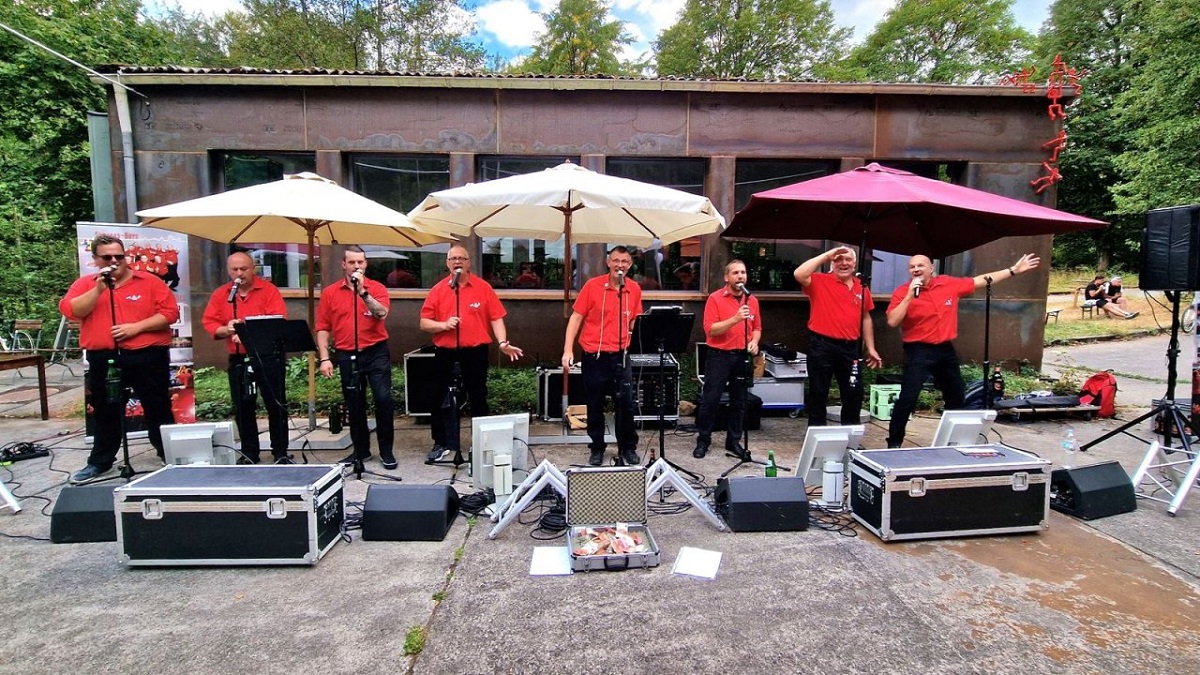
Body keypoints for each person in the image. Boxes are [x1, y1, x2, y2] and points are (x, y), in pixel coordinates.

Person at [884, 253, 1041, 448]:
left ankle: (953, 438)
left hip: (944, 349)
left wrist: (1013, 270)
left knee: (956, 394)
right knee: (908, 397)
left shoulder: (947, 283)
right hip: (918, 350)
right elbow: (892, 321)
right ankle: (894, 442)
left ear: (931, 268)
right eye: (912, 267)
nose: (916, 269)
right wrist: (909, 295)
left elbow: (979, 280)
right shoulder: (902, 291)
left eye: (920, 266)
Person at [62, 234, 179, 484]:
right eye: (107, 257)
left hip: (147, 354)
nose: (114, 261)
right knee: (105, 408)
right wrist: (98, 289)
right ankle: (100, 462)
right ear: (95, 259)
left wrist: (136, 328)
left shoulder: (149, 281)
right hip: (104, 356)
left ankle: (169, 455)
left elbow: (169, 313)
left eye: (119, 256)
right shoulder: (86, 284)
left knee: (157, 405)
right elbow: (73, 310)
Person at [420, 245, 524, 462]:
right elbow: (424, 323)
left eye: (461, 258)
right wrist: (443, 325)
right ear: (448, 263)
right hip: (445, 352)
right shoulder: (438, 290)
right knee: (439, 397)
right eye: (453, 258)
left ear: (468, 262)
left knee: (478, 397)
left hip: (475, 352)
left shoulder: (483, 288)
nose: (457, 262)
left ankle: (481, 443)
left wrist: (503, 342)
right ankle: (441, 443)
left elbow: (496, 317)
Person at [202, 251, 291, 464]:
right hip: (238, 358)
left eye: (244, 269)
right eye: (235, 270)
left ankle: (280, 452)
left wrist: (250, 334)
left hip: (267, 356)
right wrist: (226, 329)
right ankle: (250, 452)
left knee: (275, 404)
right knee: (243, 406)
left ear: (253, 269)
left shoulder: (269, 290)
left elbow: (277, 320)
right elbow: (210, 322)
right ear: (228, 271)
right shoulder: (221, 294)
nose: (240, 273)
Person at [316, 246, 396, 470]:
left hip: (376, 351)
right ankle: (360, 450)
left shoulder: (376, 288)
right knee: (354, 403)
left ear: (366, 264)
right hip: (346, 353)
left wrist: (363, 292)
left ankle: (386, 451)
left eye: (360, 262)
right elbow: (323, 327)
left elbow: (382, 313)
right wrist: (324, 358)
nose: (357, 266)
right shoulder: (331, 293)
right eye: (352, 263)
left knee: (383, 400)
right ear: (344, 264)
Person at [562, 246, 643, 466]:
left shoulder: (634, 289)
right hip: (594, 356)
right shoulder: (592, 286)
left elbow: (634, 321)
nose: (620, 265)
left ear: (630, 265)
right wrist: (568, 350)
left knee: (625, 404)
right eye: (616, 260)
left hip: (622, 355)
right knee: (595, 403)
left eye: (625, 261)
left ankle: (627, 447)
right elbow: (576, 319)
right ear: (608, 262)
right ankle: (597, 446)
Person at [793, 246, 883, 427]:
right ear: (832, 263)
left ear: (855, 263)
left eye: (848, 259)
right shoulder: (820, 281)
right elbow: (799, 274)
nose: (844, 263)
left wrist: (871, 348)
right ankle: (818, 437)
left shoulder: (862, 287)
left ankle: (851, 439)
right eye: (838, 260)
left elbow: (866, 318)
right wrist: (826, 255)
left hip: (850, 348)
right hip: (822, 346)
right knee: (818, 392)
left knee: (853, 392)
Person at [692, 260, 761, 458]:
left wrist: (754, 342)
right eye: (736, 273)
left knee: (740, 401)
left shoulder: (752, 300)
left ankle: (734, 441)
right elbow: (711, 330)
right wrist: (736, 319)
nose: (740, 276)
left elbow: (757, 328)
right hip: (719, 355)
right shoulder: (715, 299)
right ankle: (703, 441)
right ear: (726, 277)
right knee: (710, 400)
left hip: (741, 355)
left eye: (743, 272)